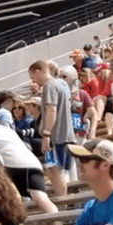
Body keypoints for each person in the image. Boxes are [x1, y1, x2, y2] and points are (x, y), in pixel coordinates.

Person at [0, 109, 57, 214]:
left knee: (12, 199)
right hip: (33, 163)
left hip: (11, 165)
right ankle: (56, 219)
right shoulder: (6, 130)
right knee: (41, 198)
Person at [30, 59, 73, 198]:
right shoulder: (62, 84)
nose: (33, 81)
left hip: (57, 136)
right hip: (67, 134)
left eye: (32, 77)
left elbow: (51, 110)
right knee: (60, 172)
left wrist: (46, 134)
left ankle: (63, 206)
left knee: (54, 171)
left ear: (38, 71)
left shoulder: (49, 86)